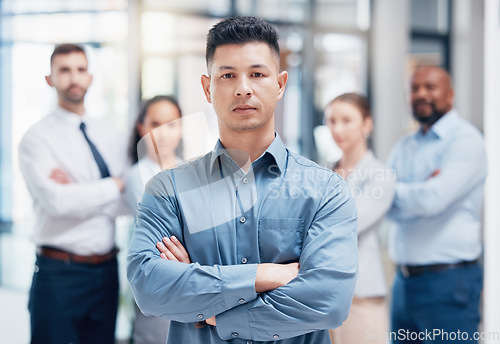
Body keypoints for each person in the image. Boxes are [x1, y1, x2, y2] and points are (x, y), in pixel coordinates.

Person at [127, 16, 358, 344]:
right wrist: (267, 275)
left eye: (257, 74)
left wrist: (210, 310)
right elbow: (149, 287)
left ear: (280, 85)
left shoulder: (325, 191)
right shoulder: (168, 190)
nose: (243, 88)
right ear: (208, 88)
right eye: (228, 75)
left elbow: (328, 300)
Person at [18, 43, 128, 344]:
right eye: (64, 70)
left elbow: (127, 204)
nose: (73, 78)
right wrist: (114, 185)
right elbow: (57, 202)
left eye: (80, 69)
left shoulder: (112, 136)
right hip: (58, 275)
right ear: (50, 79)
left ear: (90, 78)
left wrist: (79, 192)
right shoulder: (37, 138)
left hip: (106, 272)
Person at [387, 65, 486, 343]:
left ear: (450, 94)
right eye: (414, 89)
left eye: (430, 87)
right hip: (404, 284)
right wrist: (413, 192)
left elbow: (432, 200)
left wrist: (399, 193)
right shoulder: (404, 145)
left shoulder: (467, 141)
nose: (421, 94)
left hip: (448, 284)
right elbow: (382, 200)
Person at [324, 93, 395, 344]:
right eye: (331, 121)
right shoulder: (323, 173)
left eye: (346, 120)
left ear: (367, 124)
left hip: (362, 298)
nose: (337, 128)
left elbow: (346, 226)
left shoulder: (381, 176)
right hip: (322, 299)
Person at [125, 95, 183, 344]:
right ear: (142, 128)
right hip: (155, 283)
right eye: (155, 124)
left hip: (189, 285)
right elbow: (165, 229)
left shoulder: (192, 170)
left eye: (171, 124)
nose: (163, 133)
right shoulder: (135, 176)